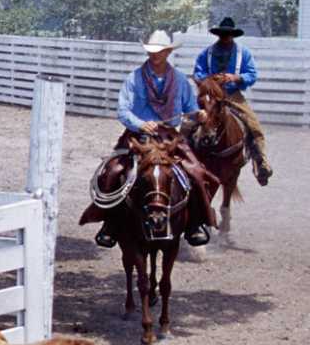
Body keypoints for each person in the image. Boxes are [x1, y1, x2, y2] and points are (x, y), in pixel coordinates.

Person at [87, 30, 212, 248]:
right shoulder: (134, 78)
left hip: (169, 137)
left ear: (168, 52)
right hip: (138, 136)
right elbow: (123, 110)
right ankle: (110, 224)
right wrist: (140, 123)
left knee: (197, 172)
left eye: (160, 51)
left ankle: (195, 224)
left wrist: (199, 114)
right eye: (151, 51)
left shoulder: (180, 80)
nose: (155, 55)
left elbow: (190, 108)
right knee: (113, 172)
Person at [192, 16, 273, 186]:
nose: (225, 38)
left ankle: (261, 163)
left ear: (233, 35)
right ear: (218, 35)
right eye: (222, 34)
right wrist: (211, 79)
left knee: (253, 125)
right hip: (212, 95)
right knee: (190, 122)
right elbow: (198, 73)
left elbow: (252, 75)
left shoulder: (243, 53)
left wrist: (235, 77)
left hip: (233, 95)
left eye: (228, 35)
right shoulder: (206, 54)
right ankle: (186, 157)